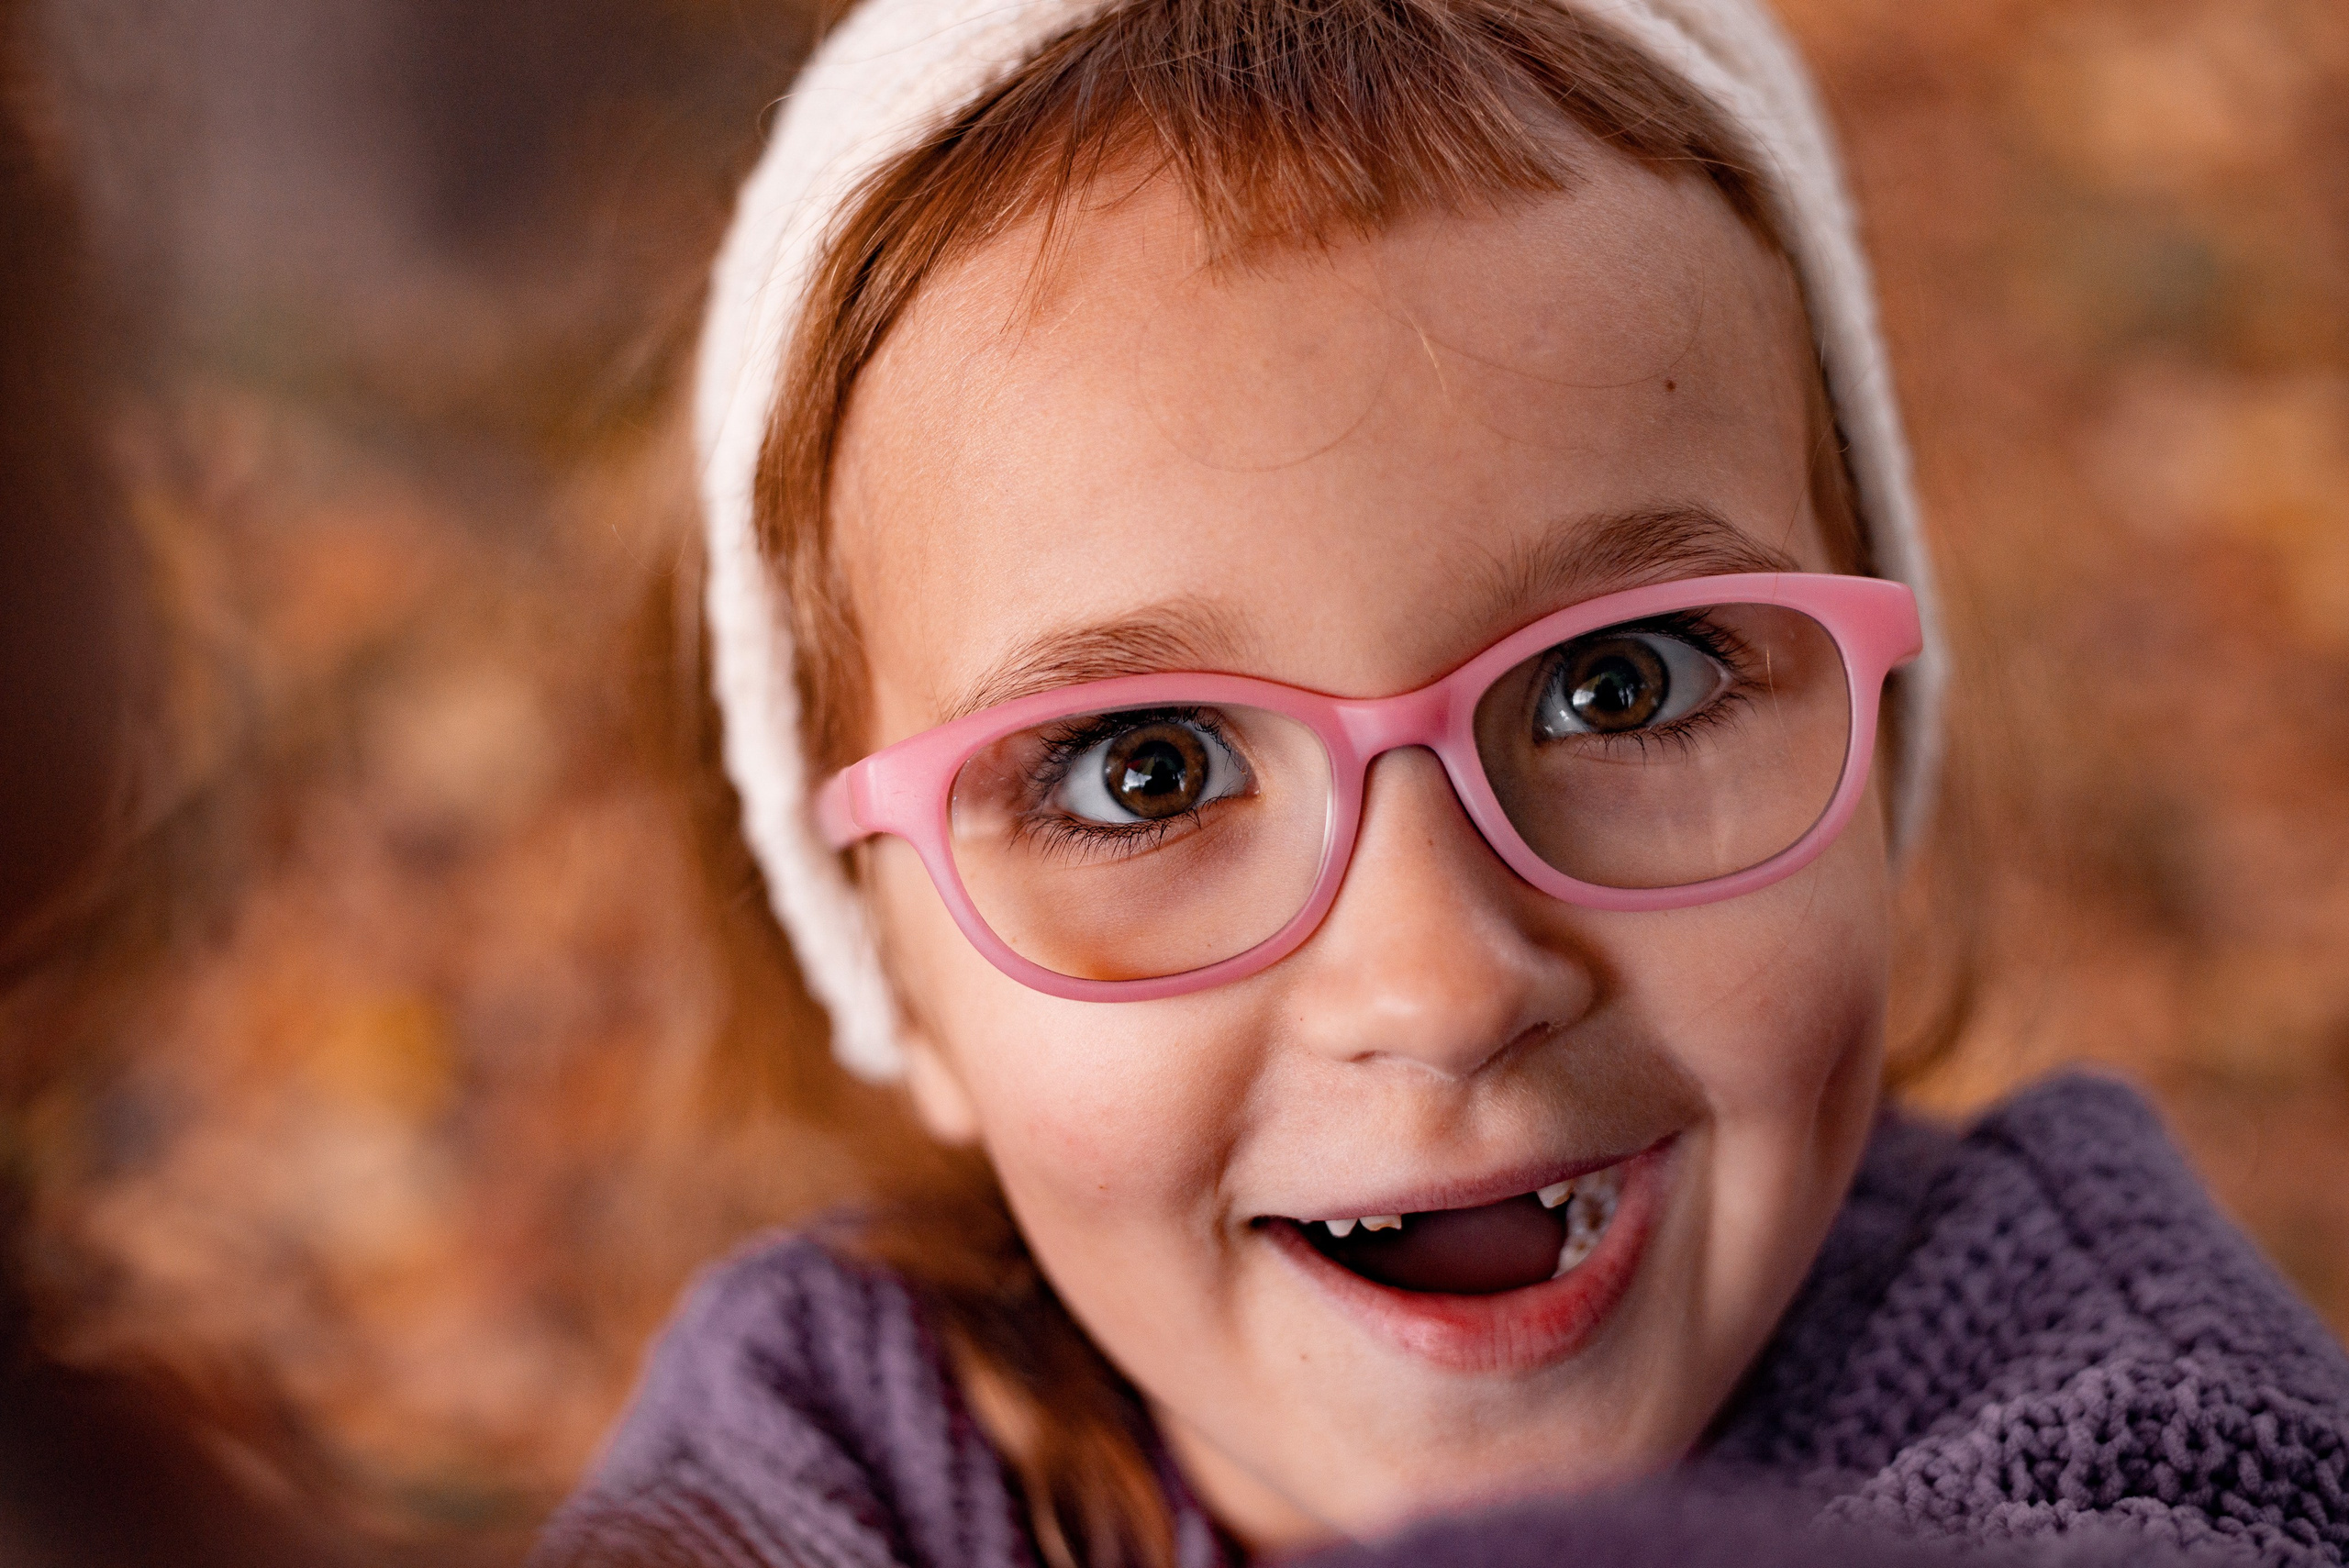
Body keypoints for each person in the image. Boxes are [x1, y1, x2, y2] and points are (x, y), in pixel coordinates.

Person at [534, 0, 2349, 1562]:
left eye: (1616, 684)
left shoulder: (2107, 1384)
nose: (1443, 980)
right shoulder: (818, 1438)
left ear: (1874, 750)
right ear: (885, 964)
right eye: (1142, 774)